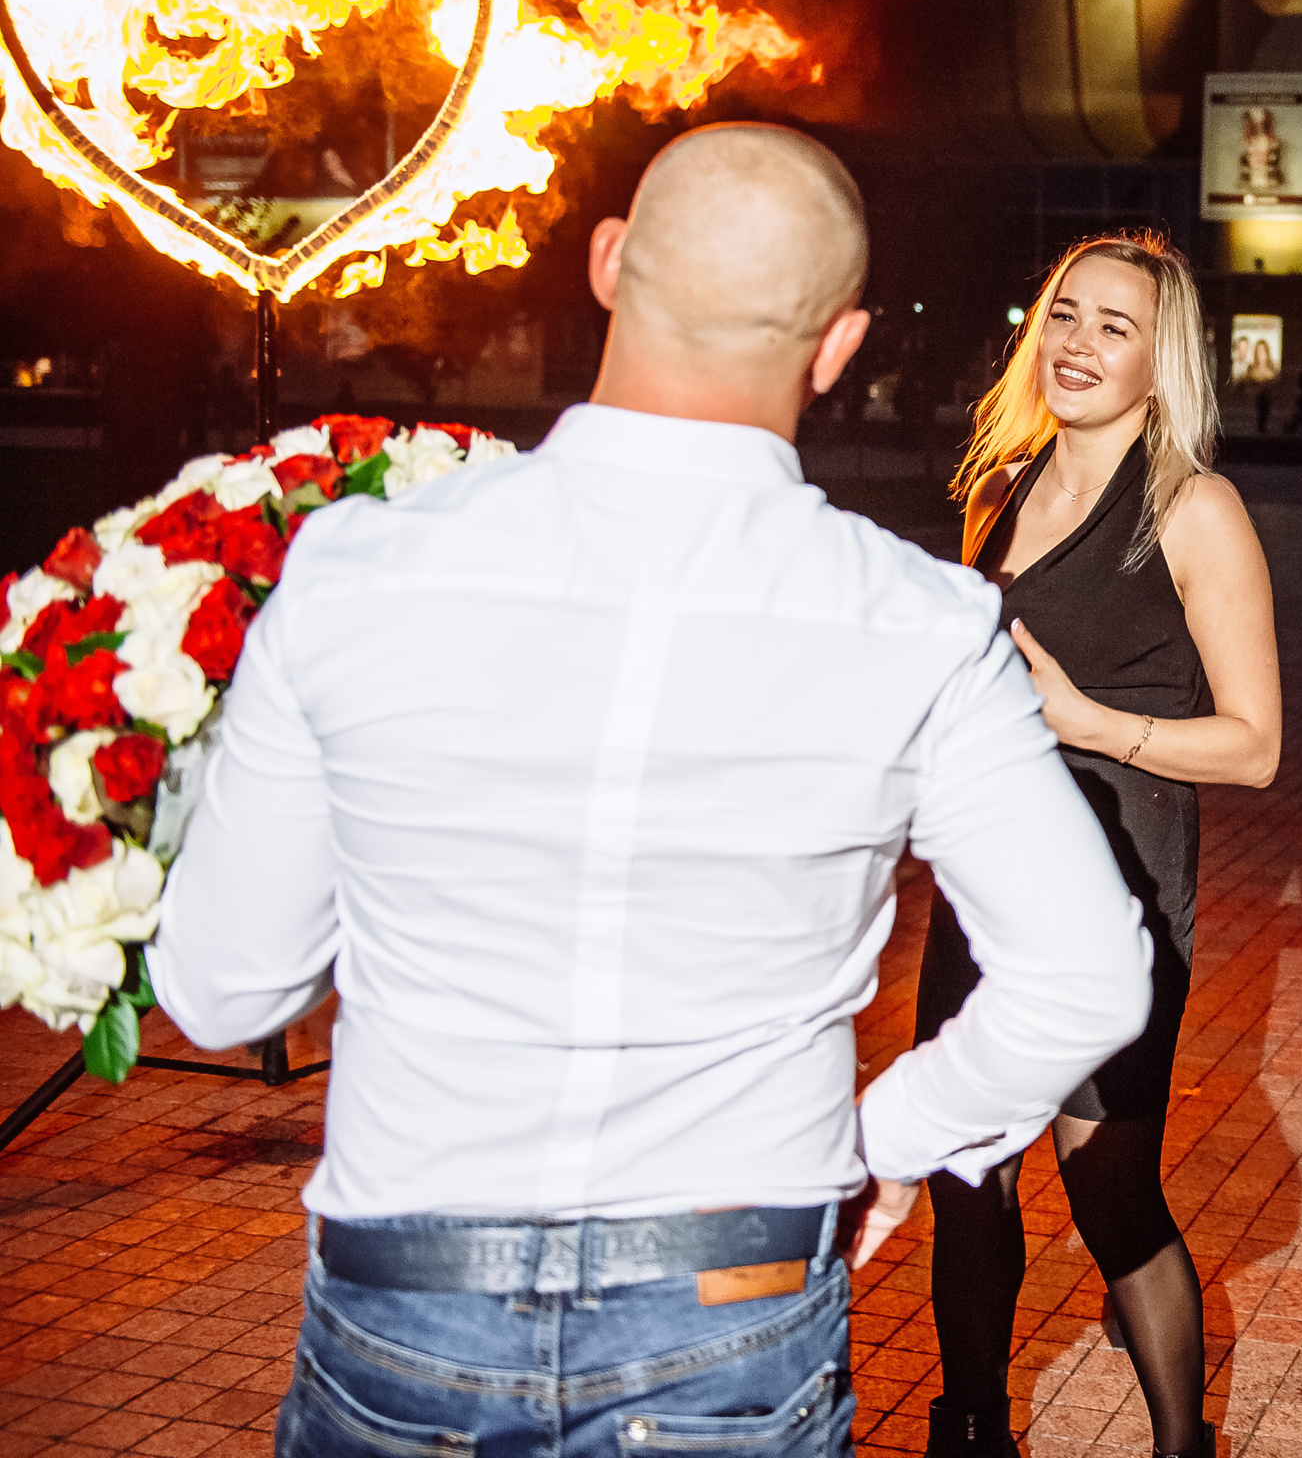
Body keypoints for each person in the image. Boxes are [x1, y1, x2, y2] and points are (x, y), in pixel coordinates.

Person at [144, 125, 1157, 1453]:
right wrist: (889, 1135)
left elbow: (223, 989)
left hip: (408, 1287)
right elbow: (1085, 977)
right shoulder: (917, 623)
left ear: (611, 264)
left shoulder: (357, 570)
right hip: (732, 1279)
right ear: (840, 344)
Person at [922, 232, 1281, 1458]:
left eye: (1113, 326)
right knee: (965, 1172)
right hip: (980, 889)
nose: (1077, 342)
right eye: (1064, 314)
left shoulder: (1193, 509)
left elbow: (1253, 747)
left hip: (1112, 902)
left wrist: (1090, 723)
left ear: (1157, 359)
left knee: (1109, 1194)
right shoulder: (997, 486)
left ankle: (1183, 1446)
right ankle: (971, 1430)